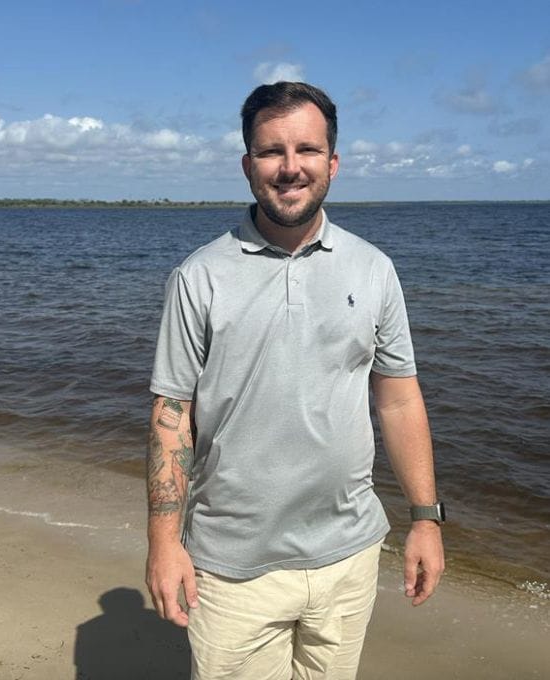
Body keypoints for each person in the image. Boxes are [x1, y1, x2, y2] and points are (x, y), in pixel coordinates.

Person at [146, 81, 445, 680]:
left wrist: (425, 519)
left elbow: (399, 399)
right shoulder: (199, 277)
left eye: (307, 150)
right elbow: (172, 415)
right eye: (270, 152)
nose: (290, 168)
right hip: (231, 567)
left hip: (349, 556)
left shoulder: (374, 269)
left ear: (332, 162)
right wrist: (163, 543)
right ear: (247, 165)